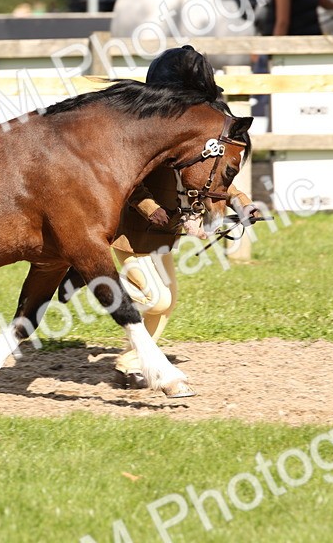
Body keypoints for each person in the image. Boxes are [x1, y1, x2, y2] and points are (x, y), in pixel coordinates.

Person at [59, 46, 261, 389]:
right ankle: (94, 280)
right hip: (131, 232)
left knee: (166, 304)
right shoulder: (147, 134)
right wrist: (150, 208)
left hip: (164, 233)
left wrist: (242, 203)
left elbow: (211, 180)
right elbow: (128, 182)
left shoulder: (191, 137)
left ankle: (129, 364)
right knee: (156, 299)